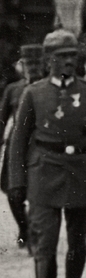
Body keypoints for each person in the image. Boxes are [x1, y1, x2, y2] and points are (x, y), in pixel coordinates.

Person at [6, 30, 86, 278]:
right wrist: (17, 181)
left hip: (83, 173)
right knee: (45, 243)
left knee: (78, 240)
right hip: (44, 173)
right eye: (62, 57)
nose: (69, 62)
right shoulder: (34, 93)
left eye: (72, 56)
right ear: (49, 60)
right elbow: (18, 141)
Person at [2, 44, 45, 252]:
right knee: (13, 193)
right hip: (16, 148)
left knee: (37, 192)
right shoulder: (13, 89)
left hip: (39, 146)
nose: (33, 67)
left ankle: (33, 234)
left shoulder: (50, 88)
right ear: (22, 66)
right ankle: (23, 227)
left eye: (37, 63)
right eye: (29, 63)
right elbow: (2, 120)